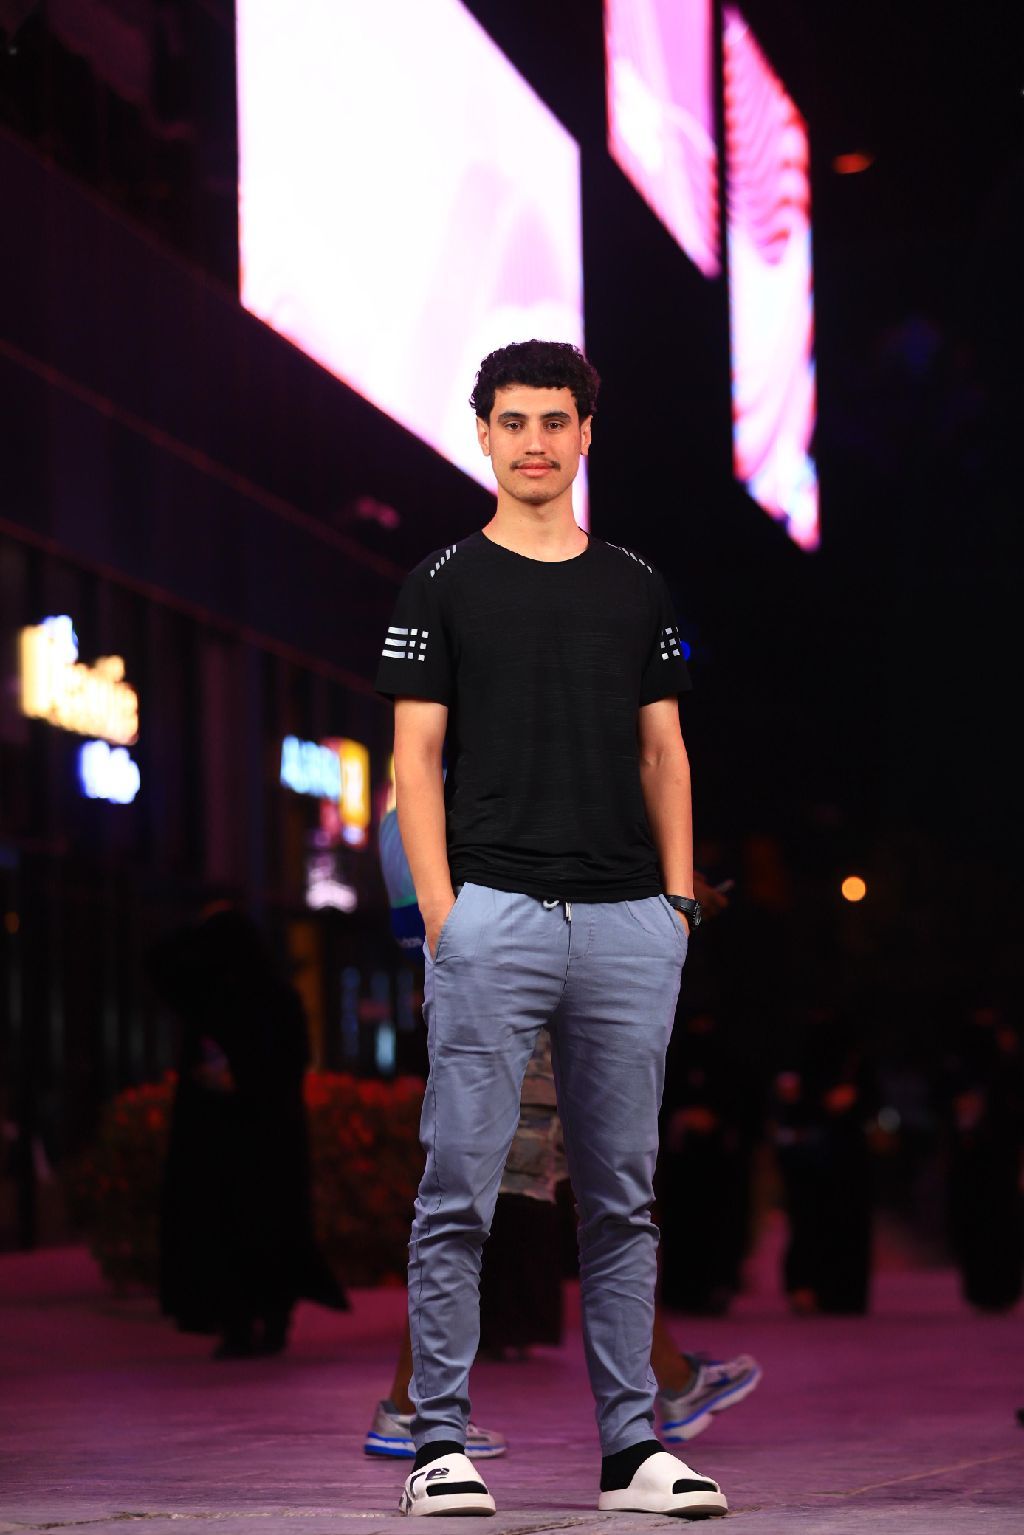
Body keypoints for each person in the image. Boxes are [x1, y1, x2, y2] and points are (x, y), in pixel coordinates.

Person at [375, 340, 726, 1518]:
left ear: (585, 434)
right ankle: (437, 1441)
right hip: (495, 917)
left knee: (622, 1197)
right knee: (459, 1188)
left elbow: (664, 753)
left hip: (631, 922)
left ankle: (632, 1449)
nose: (534, 441)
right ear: (482, 433)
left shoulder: (633, 583)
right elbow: (414, 760)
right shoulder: (439, 581)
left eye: (555, 420)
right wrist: (446, 918)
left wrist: (675, 906)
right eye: (513, 421)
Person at [148, 905, 346, 1357]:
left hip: (227, 1142)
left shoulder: (209, 998)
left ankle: (242, 1325)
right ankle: (269, 1320)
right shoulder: (268, 996)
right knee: (267, 1231)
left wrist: (192, 929)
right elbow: (295, 1059)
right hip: (269, 1142)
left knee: (230, 1233)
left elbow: (158, 962)